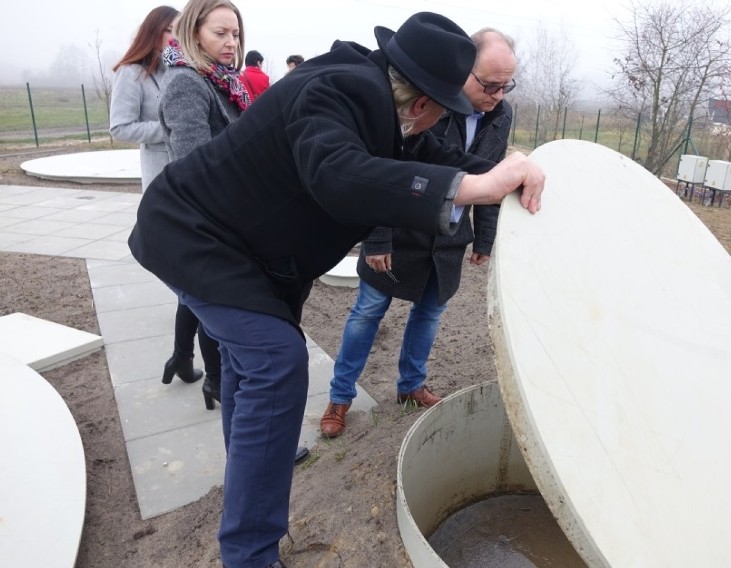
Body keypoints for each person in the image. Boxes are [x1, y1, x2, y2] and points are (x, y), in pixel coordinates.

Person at [129, 12, 544, 568]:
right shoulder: (337, 89)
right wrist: (474, 186)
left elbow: (443, 161)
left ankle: (250, 475)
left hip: (242, 254)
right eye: (446, 110)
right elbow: (336, 172)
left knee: (253, 368)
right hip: (196, 238)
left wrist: (502, 175)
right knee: (276, 362)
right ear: (422, 104)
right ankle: (249, 556)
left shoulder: (384, 108)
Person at [320, 27, 518, 438]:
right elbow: (384, 163)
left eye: (505, 86)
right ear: (465, 71)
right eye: (490, 84)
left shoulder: (502, 115)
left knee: (430, 313)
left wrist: (483, 238)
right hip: (400, 229)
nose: (498, 95)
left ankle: (410, 386)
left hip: (448, 237)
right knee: (368, 312)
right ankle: (340, 397)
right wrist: (377, 237)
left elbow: (490, 177)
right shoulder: (427, 100)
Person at [157, 0, 248, 406]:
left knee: (217, 321)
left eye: (236, 33)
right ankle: (227, 396)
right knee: (224, 325)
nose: (232, 42)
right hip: (211, 223)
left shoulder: (223, 78)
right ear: (195, 34)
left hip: (227, 220)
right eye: (220, 34)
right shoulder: (187, 83)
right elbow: (196, 167)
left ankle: (211, 381)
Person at [109, 5, 180, 192]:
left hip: (188, 173)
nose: (177, 38)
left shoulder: (181, 71)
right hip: (160, 176)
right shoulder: (131, 72)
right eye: (170, 30)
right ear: (153, 32)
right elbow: (120, 128)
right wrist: (170, 128)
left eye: (180, 31)